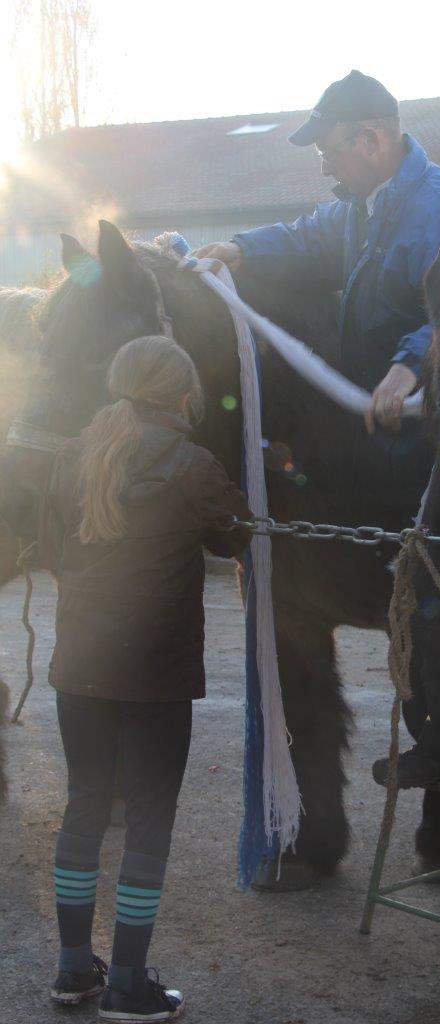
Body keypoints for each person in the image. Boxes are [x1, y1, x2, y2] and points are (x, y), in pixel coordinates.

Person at [45, 336, 251, 1021]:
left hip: (79, 669)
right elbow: (235, 536)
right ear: (182, 394)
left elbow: (51, 545)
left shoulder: (76, 455)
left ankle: (75, 971)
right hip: (155, 677)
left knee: (84, 808)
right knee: (148, 823)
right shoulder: (192, 465)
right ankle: (129, 985)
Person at [197, 69, 440, 433]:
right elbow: (308, 239)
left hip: (431, 429)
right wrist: (241, 250)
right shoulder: (363, 207)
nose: (326, 169)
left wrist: (409, 366)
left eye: (328, 153)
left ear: (370, 140)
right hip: (376, 415)